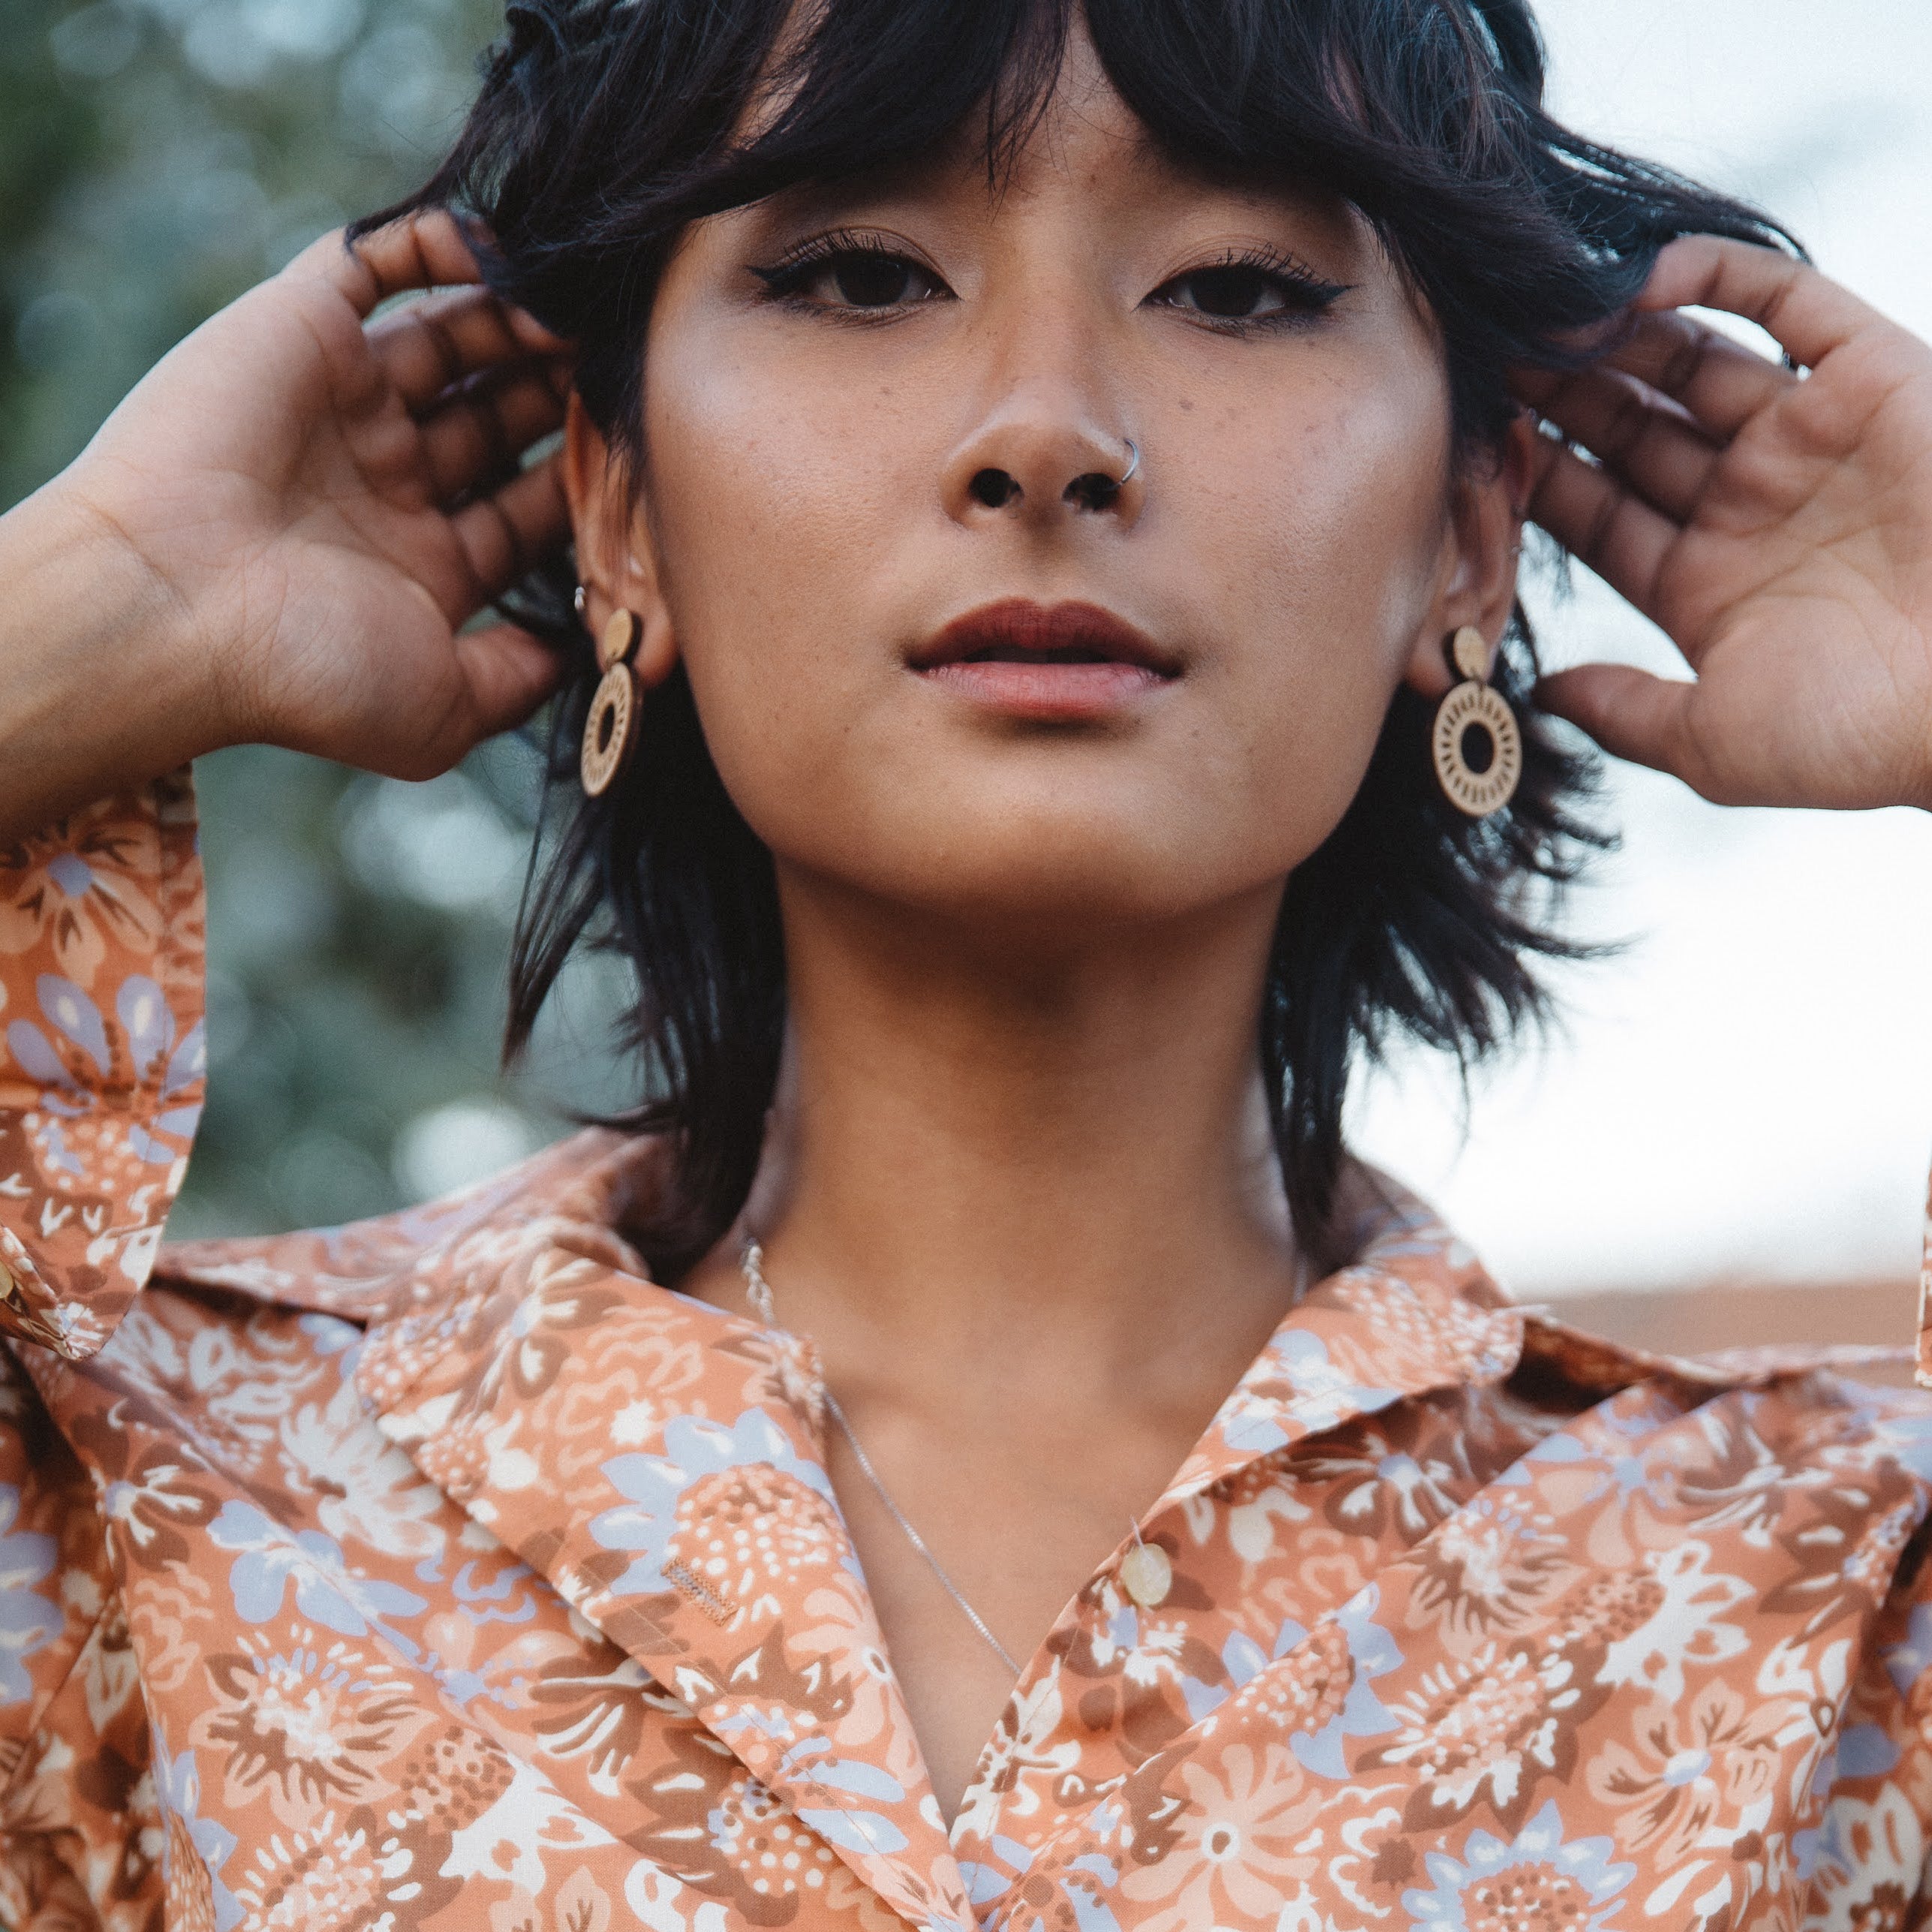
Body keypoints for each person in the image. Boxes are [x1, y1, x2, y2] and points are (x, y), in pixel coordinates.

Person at [2, 0, 1930, 1925]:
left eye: (1241, 293)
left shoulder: (1835, 1600)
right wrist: (90, 615)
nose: (1047, 434)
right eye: (859, 275)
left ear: (1472, 532)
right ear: (620, 506)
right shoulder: (146, 1497)